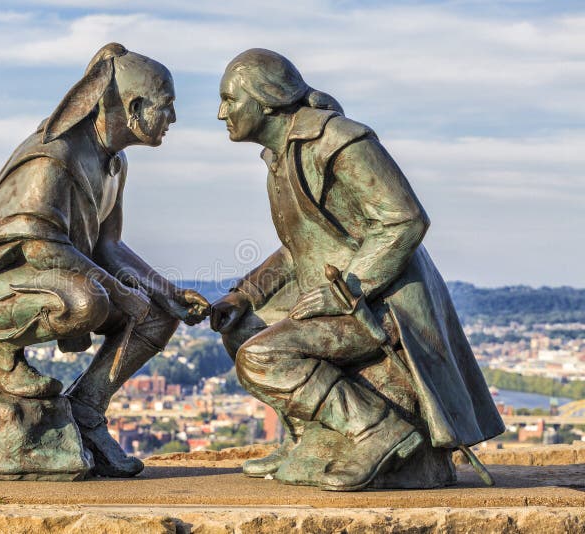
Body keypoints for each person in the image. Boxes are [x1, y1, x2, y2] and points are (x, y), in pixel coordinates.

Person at [0, 43, 209, 478]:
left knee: (158, 316)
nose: (174, 120)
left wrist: (170, 295)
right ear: (136, 107)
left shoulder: (114, 163)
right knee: (89, 301)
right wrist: (120, 293)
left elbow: (109, 247)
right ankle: (5, 357)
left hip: (56, 281)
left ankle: (87, 411)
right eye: (168, 107)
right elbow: (41, 248)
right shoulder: (55, 154)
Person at [210, 48, 503, 490]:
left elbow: (404, 219)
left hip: (380, 303)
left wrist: (351, 285)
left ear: (266, 100)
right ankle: (307, 439)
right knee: (243, 330)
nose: (221, 113)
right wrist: (245, 296)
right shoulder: (281, 156)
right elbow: (298, 251)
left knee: (261, 355)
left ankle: (375, 429)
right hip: (336, 298)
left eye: (230, 100)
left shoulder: (338, 140)